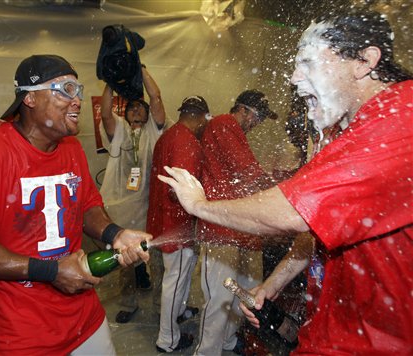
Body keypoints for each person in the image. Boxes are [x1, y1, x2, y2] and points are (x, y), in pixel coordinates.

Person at [158, 8, 413, 355]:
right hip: (338, 331)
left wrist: (200, 205)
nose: (294, 78)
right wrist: (275, 283)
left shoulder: (400, 116)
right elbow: (314, 226)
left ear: (365, 61)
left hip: (378, 341)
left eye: (308, 63)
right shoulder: (353, 128)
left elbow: (296, 211)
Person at [0, 54, 151, 355]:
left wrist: (115, 234)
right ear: (29, 98)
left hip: (85, 320)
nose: (78, 100)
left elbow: (86, 207)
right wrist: (51, 271)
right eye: (66, 89)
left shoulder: (71, 149)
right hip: (19, 335)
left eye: (78, 90)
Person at [194, 90, 277, 356]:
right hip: (221, 227)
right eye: (258, 117)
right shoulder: (224, 124)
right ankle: (207, 351)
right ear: (243, 109)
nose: (258, 123)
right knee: (220, 298)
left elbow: (245, 174)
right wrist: (281, 190)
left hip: (235, 227)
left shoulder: (230, 129)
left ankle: (227, 342)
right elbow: (247, 171)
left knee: (238, 293)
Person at [99, 65, 171, 323]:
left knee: (157, 259)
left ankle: (162, 305)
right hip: (123, 209)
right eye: (131, 107)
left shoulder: (155, 129)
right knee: (124, 260)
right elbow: (105, 111)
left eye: (140, 107)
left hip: (151, 206)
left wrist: (139, 69)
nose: (136, 109)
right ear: (126, 113)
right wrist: (111, 80)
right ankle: (128, 303)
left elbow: (157, 97)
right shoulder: (118, 130)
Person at [147, 96, 210, 353]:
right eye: (205, 120)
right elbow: (179, 193)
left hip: (161, 219)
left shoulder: (168, 135)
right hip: (177, 224)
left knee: (176, 278)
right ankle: (167, 339)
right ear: (199, 116)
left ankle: (180, 311)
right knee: (175, 279)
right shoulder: (188, 142)